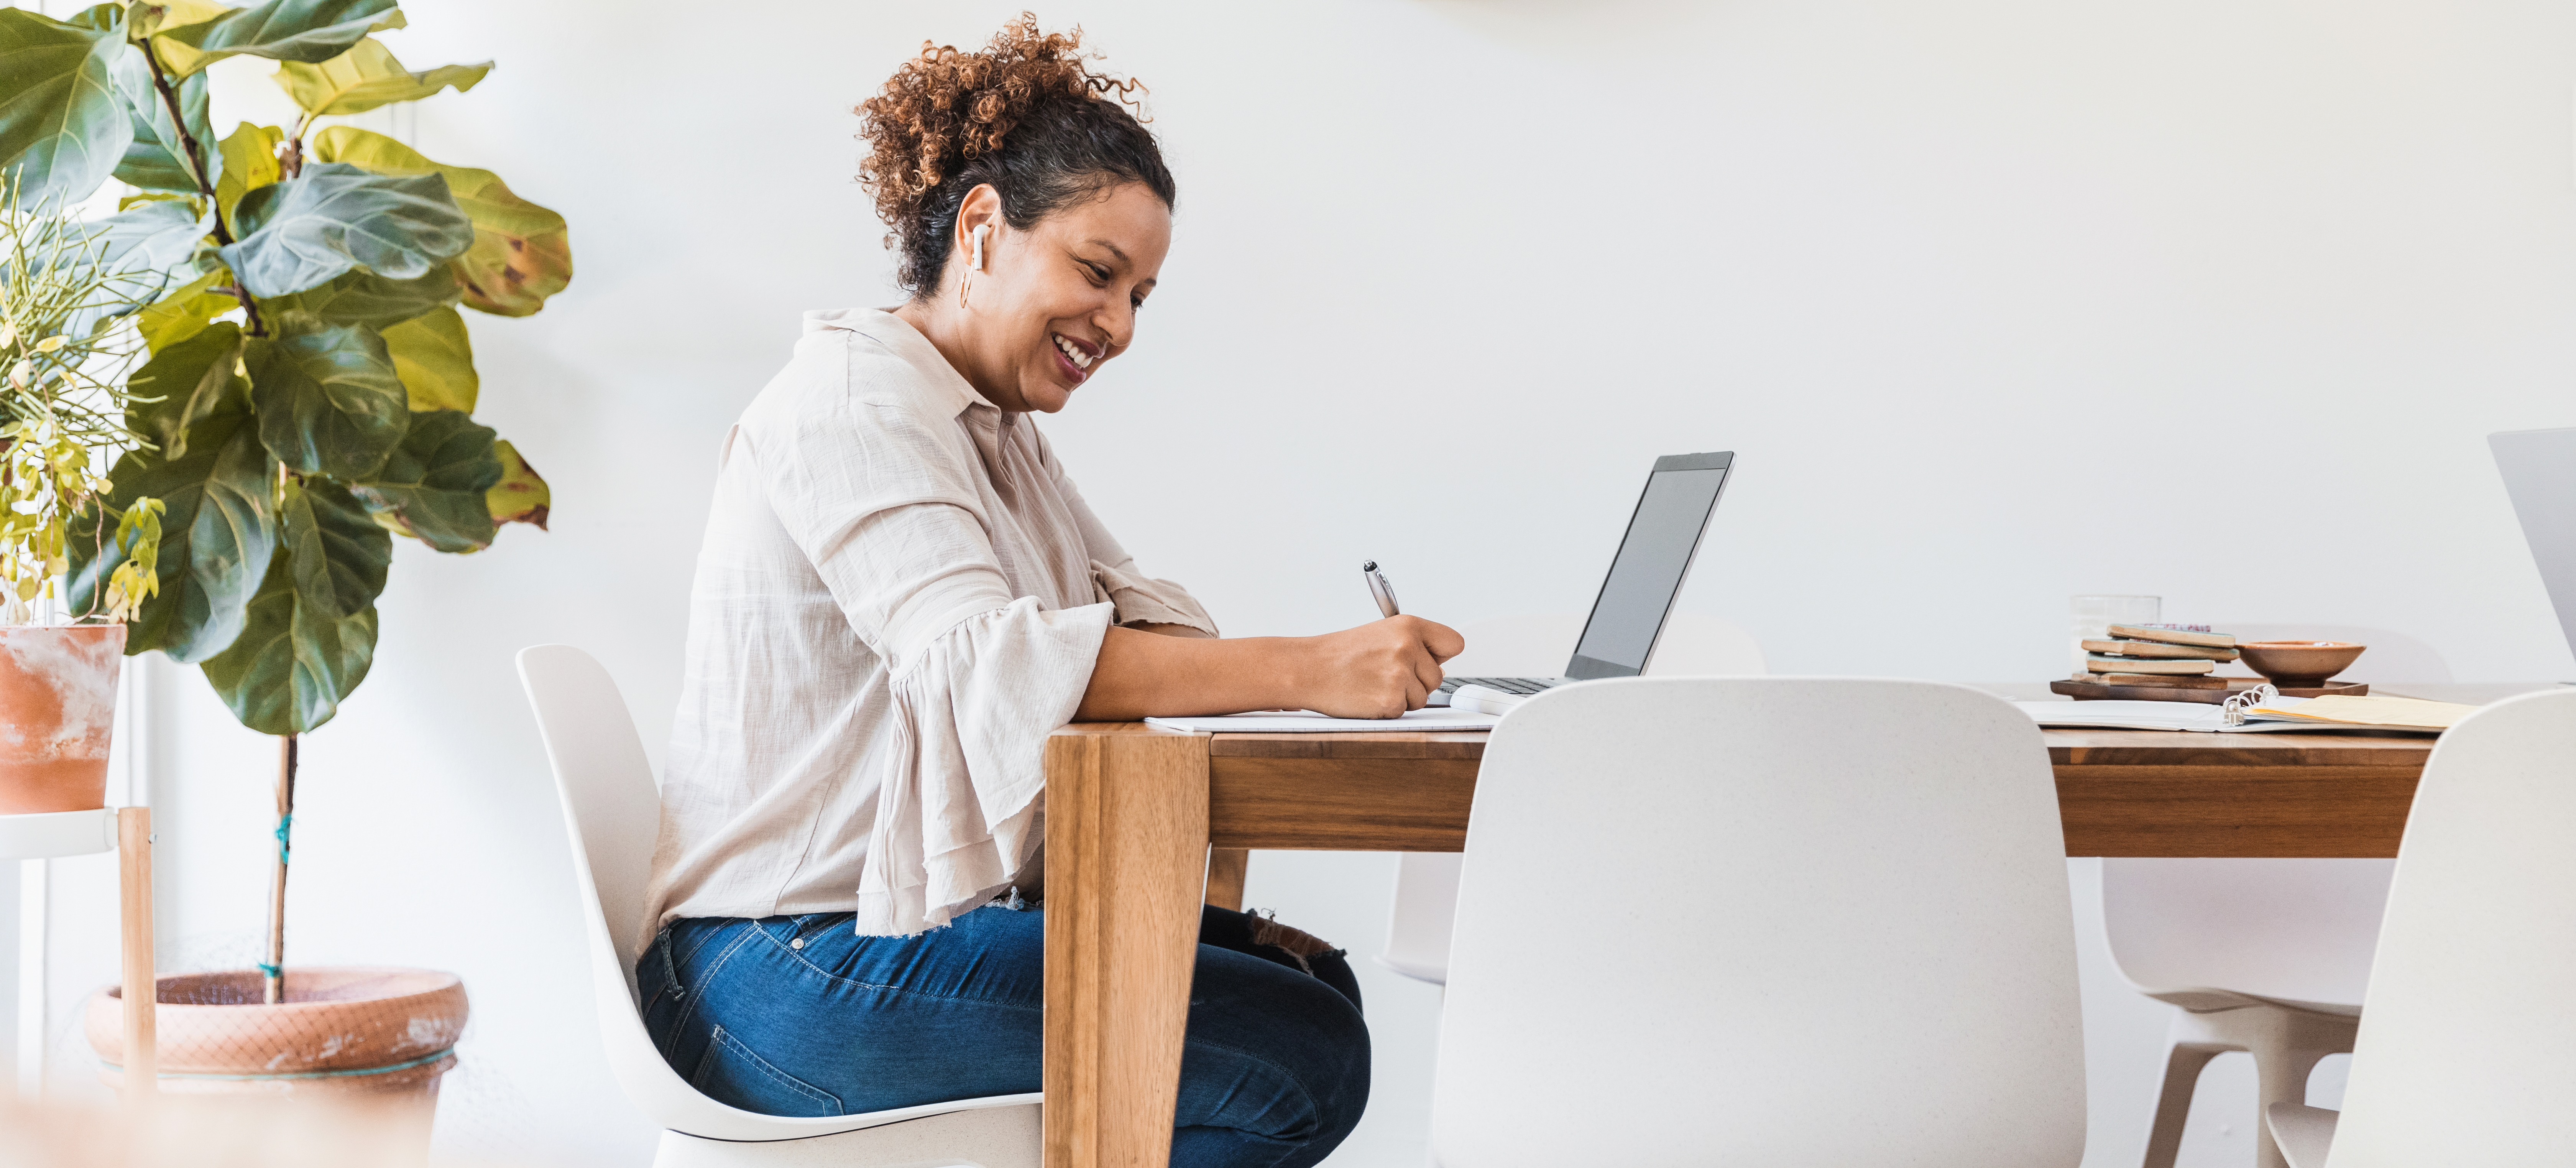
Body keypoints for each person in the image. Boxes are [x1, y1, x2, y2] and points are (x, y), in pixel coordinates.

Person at [634, 17, 1462, 1168]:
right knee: (1301, 1055)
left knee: (1310, 987)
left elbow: (1136, 626)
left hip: (863, 941)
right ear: (982, 228)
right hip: (774, 970)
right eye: (1097, 273)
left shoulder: (988, 429)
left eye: (1141, 297)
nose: (1118, 326)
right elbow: (994, 664)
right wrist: (1314, 665)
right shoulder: (854, 405)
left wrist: (1203, 652)